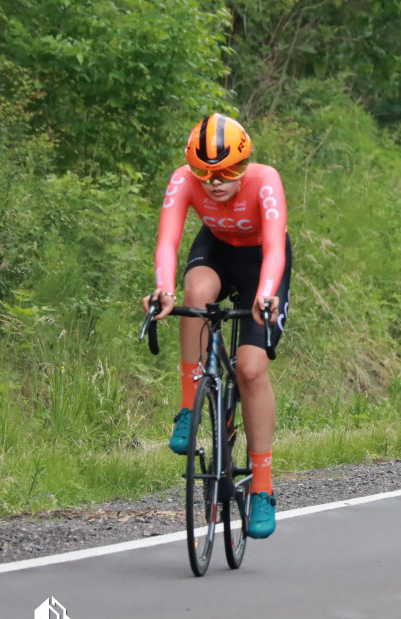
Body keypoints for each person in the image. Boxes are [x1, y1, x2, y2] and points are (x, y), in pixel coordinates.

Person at [141, 113, 291, 538]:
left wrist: (266, 294)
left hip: (262, 262)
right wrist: (161, 289)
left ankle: (261, 487)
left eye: (228, 171)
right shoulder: (183, 180)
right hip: (218, 251)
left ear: (245, 163)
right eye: (205, 173)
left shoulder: (265, 180)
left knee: (249, 370)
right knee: (195, 293)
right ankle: (190, 406)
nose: (215, 182)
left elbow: (276, 249)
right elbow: (168, 240)